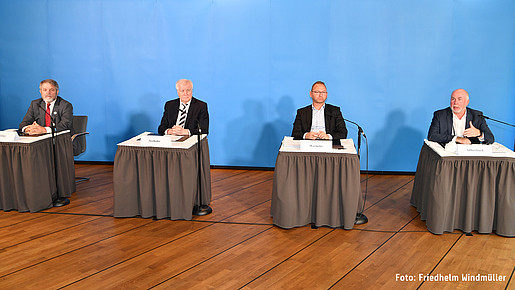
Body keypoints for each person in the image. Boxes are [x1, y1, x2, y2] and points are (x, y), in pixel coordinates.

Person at [428, 88, 494, 145]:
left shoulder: (477, 116)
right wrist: (457, 139)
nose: (455, 102)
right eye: (453, 99)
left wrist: (479, 134)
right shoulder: (440, 115)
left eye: (460, 99)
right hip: (447, 153)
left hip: (469, 155)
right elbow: (432, 136)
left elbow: (491, 138)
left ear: (467, 102)